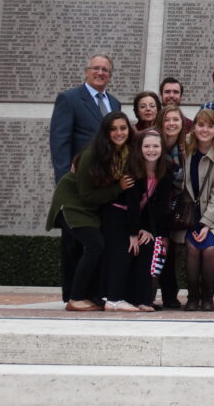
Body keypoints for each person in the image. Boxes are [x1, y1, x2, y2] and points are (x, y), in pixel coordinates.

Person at [49, 53, 122, 303]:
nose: (100, 73)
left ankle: (93, 293)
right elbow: (60, 142)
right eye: (96, 68)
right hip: (76, 185)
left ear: (110, 75)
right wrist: (64, 183)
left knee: (99, 240)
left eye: (105, 70)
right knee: (74, 242)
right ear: (87, 71)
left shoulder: (114, 103)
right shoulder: (69, 99)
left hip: (104, 185)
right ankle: (72, 296)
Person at [46, 111, 135, 311]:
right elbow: (86, 194)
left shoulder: (125, 152)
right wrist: (118, 188)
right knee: (95, 246)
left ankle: (92, 296)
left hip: (92, 208)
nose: (119, 133)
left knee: (96, 248)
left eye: (123, 128)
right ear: (105, 132)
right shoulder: (92, 154)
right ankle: (75, 298)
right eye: (113, 129)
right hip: (73, 204)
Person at [102, 129, 174, 312]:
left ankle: (143, 300)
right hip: (117, 215)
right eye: (147, 146)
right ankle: (114, 299)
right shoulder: (132, 168)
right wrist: (133, 233)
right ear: (139, 148)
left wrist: (148, 230)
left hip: (139, 219)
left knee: (147, 246)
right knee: (127, 250)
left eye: (156, 146)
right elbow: (132, 204)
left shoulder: (165, 170)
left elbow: (161, 206)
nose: (151, 150)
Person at [183, 109, 214, 311]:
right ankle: (192, 296)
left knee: (210, 249)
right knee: (193, 249)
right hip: (188, 212)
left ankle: (208, 297)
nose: (205, 130)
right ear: (194, 127)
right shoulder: (185, 150)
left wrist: (206, 223)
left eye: (210, 126)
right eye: (201, 125)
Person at [154, 105, 189, 309]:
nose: (171, 124)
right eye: (167, 120)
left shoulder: (185, 148)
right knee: (155, 251)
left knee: (172, 253)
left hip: (175, 207)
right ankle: (145, 294)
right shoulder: (153, 144)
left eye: (176, 120)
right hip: (153, 207)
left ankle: (170, 296)